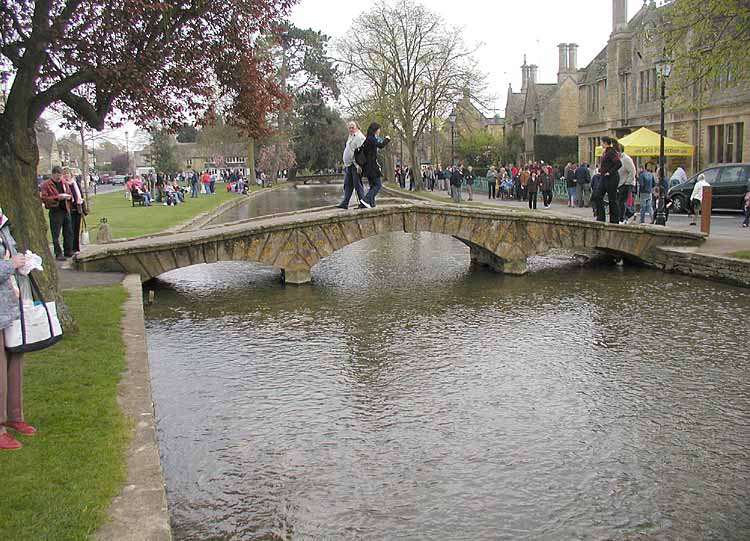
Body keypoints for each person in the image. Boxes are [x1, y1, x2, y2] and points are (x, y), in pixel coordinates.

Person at [0, 209, 35, 450]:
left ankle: (14, 415)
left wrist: (22, 261)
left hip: (11, 305)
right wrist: (9, 264)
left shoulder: (3, 225)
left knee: (15, 362)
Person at [39, 166, 74, 261]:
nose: (59, 177)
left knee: (68, 231)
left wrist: (68, 197)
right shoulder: (46, 184)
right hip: (55, 210)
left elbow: (69, 193)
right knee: (56, 233)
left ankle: (68, 250)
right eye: (58, 175)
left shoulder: (64, 183)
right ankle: (58, 253)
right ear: (53, 174)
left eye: (61, 175)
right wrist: (56, 197)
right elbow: (44, 198)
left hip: (65, 209)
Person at [336, 120, 369, 209]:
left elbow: (362, 152)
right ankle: (345, 203)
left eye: (352, 127)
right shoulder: (351, 136)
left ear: (357, 127)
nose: (350, 129)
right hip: (349, 164)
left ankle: (363, 202)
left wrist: (359, 165)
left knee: (357, 184)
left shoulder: (359, 137)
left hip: (356, 165)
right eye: (349, 128)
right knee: (348, 184)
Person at [361, 122, 390, 208]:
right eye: (378, 129)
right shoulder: (371, 139)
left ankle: (371, 204)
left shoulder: (367, 139)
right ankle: (366, 200)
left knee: (373, 185)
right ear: (375, 130)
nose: (379, 131)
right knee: (378, 185)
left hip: (367, 166)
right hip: (372, 166)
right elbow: (381, 145)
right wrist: (387, 139)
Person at [596, 136, 622, 223]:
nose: (601, 144)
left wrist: (610, 172)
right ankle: (601, 217)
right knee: (598, 195)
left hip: (612, 178)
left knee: (612, 199)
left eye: (602, 142)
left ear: (605, 143)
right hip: (604, 177)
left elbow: (618, 164)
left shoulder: (611, 152)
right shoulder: (606, 152)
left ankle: (614, 219)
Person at [64, 169, 87, 256]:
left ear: (71, 175)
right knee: (70, 230)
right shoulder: (64, 185)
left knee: (76, 229)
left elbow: (81, 195)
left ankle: (76, 248)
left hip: (77, 209)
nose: (66, 176)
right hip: (69, 210)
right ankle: (69, 249)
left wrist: (84, 209)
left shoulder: (75, 184)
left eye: (67, 174)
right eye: (65, 174)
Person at [617, 144, 637, 224]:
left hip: (627, 183)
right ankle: (630, 213)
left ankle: (622, 218)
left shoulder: (626, 159)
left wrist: (627, 182)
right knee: (619, 201)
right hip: (621, 183)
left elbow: (632, 171)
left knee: (622, 201)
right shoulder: (620, 159)